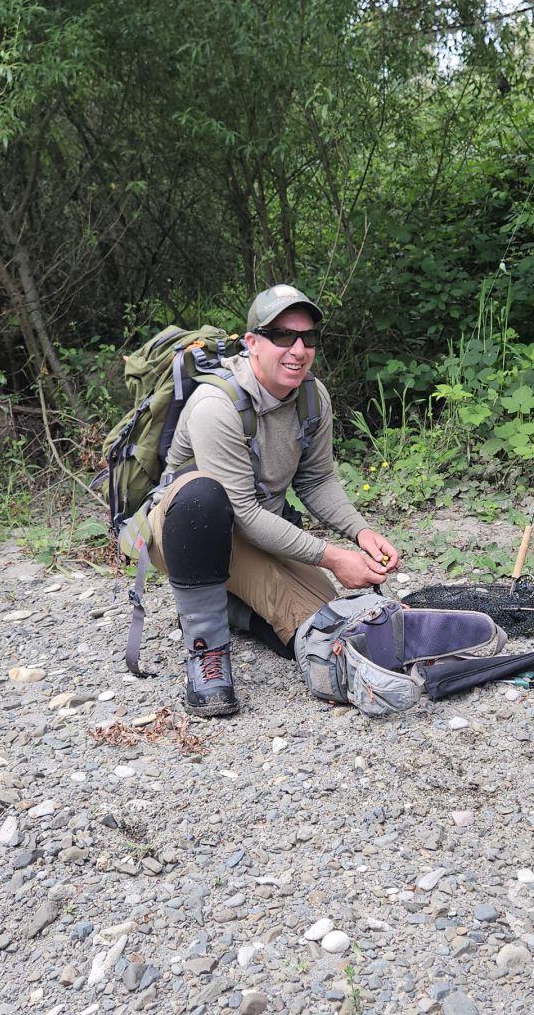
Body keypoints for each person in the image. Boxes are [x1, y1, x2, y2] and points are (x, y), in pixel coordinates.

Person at [145, 284, 400, 717]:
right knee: (203, 496)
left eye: (308, 337)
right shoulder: (215, 405)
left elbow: (317, 480)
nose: (298, 350)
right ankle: (207, 653)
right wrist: (334, 557)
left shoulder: (312, 397)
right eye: (282, 335)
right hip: (186, 532)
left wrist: (361, 532)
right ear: (252, 343)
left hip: (256, 528)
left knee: (326, 620)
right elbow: (242, 513)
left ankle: (232, 608)